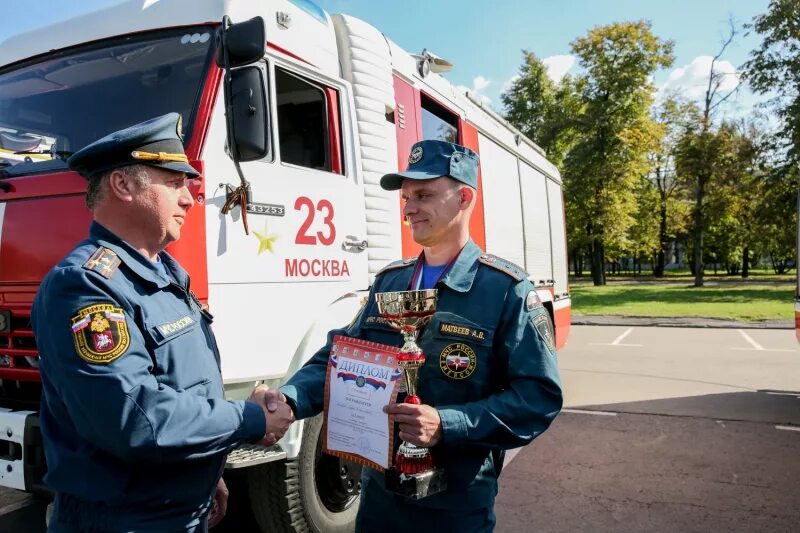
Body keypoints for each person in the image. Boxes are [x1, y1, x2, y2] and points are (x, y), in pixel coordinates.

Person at [272, 139, 563, 532]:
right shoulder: (390, 283)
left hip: (455, 505)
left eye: (423, 194)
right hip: (377, 498)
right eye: (406, 197)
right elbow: (341, 357)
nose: (408, 207)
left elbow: (538, 397)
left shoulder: (505, 289)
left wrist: (447, 423)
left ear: (464, 198)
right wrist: (288, 399)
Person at [31, 113, 294, 532]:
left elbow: (184, 384)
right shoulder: (85, 285)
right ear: (123, 185)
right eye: (174, 183)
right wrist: (250, 419)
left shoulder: (166, 271)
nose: (190, 198)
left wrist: (210, 472)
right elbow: (137, 420)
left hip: (178, 506)